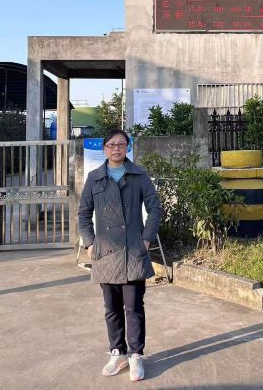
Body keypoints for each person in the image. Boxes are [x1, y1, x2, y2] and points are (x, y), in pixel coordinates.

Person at [78, 128, 162, 382]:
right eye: (112, 144)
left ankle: (135, 355)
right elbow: (83, 213)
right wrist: (89, 243)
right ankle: (118, 352)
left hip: (133, 251)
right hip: (105, 252)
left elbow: (155, 208)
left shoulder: (139, 175)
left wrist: (146, 240)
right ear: (105, 148)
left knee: (134, 307)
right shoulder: (94, 177)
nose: (116, 148)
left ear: (127, 147)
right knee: (111, 308)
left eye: (121, 144)